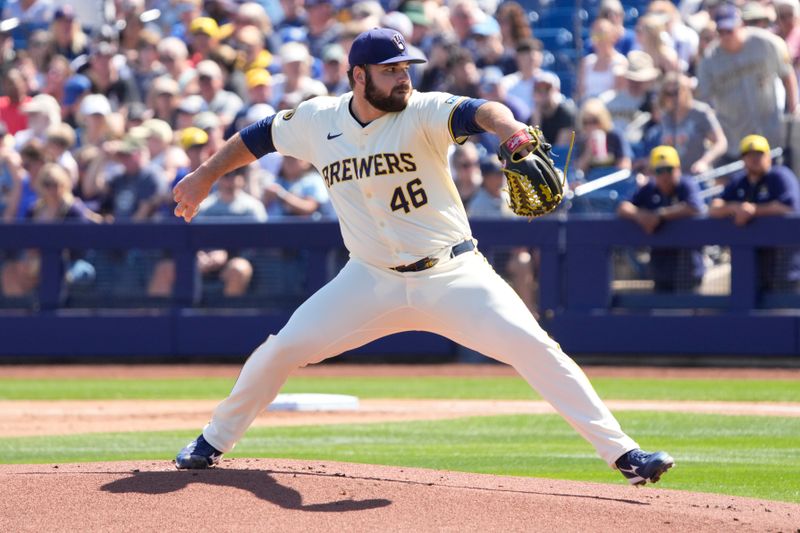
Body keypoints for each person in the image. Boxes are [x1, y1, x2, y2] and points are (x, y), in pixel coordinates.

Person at [172, 27, 674, 485]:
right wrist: (203, 176)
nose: (403, 79)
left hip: (452, 274)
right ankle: (213, 440)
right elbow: (258, 136)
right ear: (358, 75)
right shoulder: (317, 119)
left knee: (536, 348)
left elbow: (482, 110)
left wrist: (513, 132)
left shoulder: (423, 111)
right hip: (368, 281)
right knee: (281, 349)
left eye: (406, 68)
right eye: (391, 70)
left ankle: (625, 454)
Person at [696, 4, 798, 163]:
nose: (726, 36)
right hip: (735, 137)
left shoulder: (764, 42)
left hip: (770, 130)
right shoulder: (709, 61)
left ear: (740, 24)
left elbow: (787, 73)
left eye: (730, 30)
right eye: (721, 32)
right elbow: (704, 100)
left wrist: (792, 108)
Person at [709, 135, 800, 291]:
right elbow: (714, 208)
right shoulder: (739, 181)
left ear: (768, 157)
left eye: (759, 154)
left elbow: (790, 207)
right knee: (747, 310)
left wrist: (754, 210)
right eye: (749, 154)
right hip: (750, 267)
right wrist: (735, 208)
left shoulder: (780, 176)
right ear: (743, 159)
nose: (755, 159)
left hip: (783, 264)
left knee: (783, 311)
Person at [616, 146, 706, 292]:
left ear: (678, 169)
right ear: (652, 173)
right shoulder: (650, 188)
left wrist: (659, 215)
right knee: (660, 310)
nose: (665, 175)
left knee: (690, 311)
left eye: (669, 169)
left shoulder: (686, 184)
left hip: (688, 267)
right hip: (661, 268)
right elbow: (623, 207)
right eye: (659, 171)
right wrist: (641, 215)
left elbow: (695, 207)